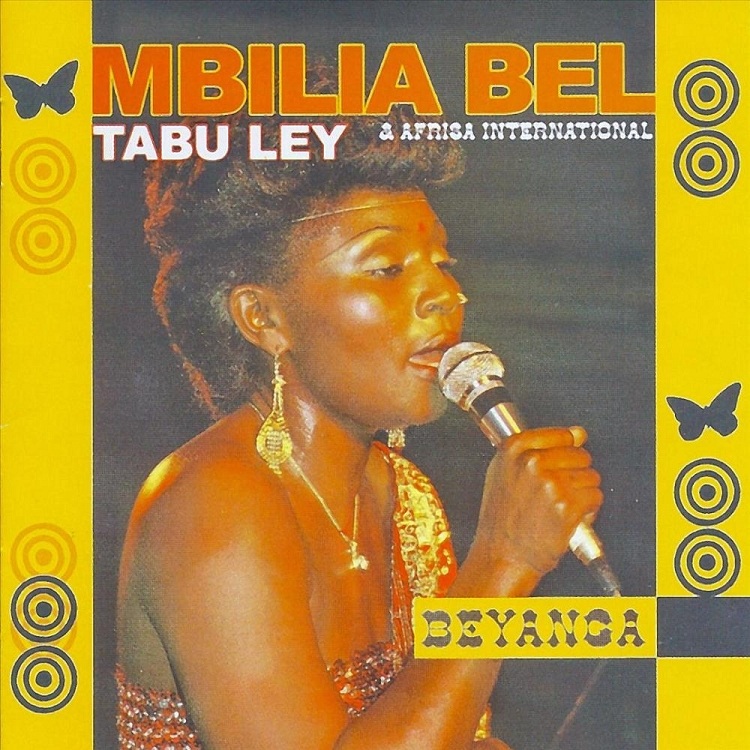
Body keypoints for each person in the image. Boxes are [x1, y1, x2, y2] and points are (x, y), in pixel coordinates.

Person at [115, 86, 603, 750]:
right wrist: (504, 561)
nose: (446, 293)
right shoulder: (209, 505)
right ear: (263, 318)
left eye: (442, 264)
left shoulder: (408, 498)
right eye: (387, 268)